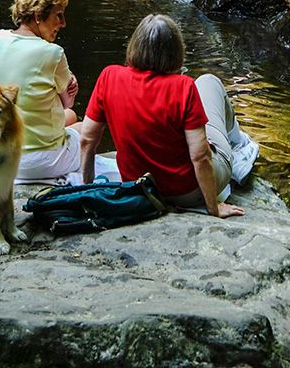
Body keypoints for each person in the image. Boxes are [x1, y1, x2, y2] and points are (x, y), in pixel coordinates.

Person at [79, 13, 258, 218]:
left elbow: (86, 140)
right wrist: (213, 208)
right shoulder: (183, 87)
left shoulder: (109, 76)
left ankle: (238, 147)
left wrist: (86, 189)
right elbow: (200, 157)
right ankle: (239, 148)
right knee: (208, 81)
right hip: (188, 193)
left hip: (140, 188)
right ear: (175, 51)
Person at [0, 0, 81, 182]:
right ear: (38, 15)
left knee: (69, 116)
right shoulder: (53, 53)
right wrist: (68, 84)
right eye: (58, 16)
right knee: (83, 126)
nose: (63, 23)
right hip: (33, 163)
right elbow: (68, 102)